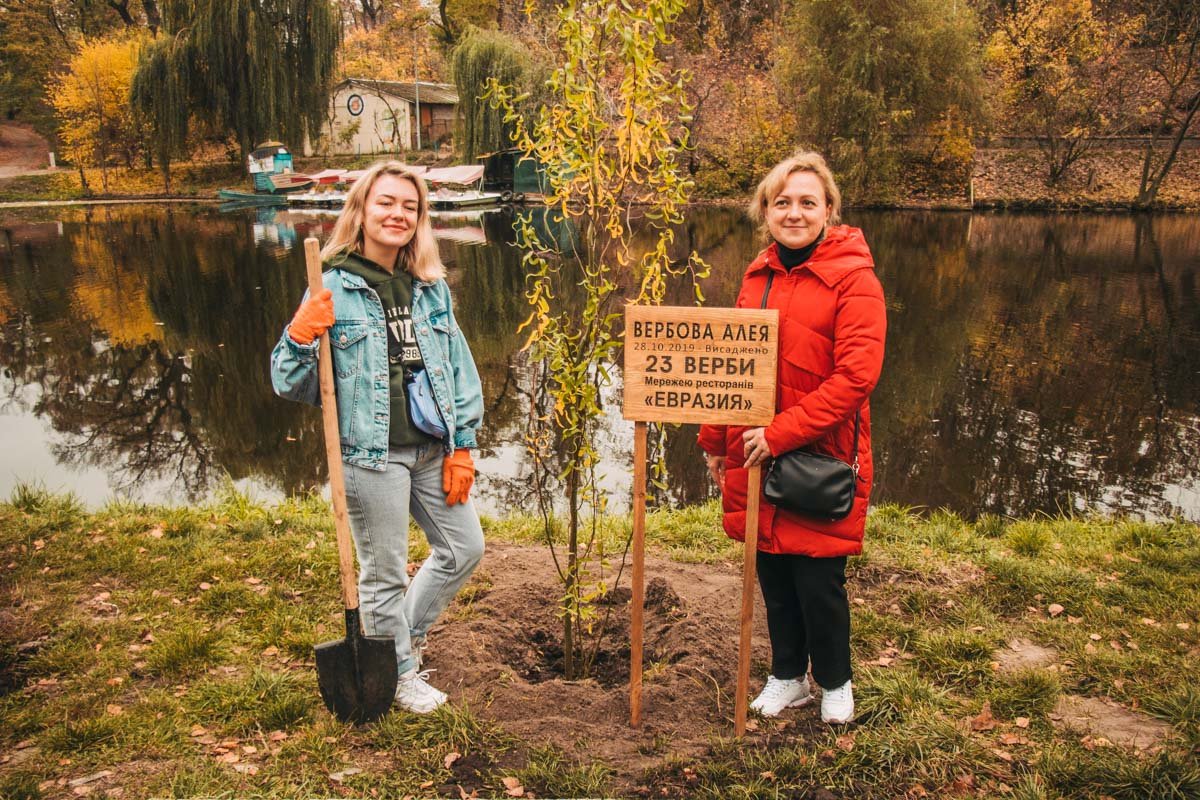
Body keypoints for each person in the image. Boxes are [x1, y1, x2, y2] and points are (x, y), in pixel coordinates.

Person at [270, 161, 485, 714]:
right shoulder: (330, 287)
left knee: (463, 549)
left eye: (410, 207)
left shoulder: (430, 288)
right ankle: (401, 674)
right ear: (361, 211)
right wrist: (300, 336)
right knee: (384, 572)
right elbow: (289, 382)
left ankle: (396, 646)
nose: (398, 214)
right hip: (372, 455)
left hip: (432, 448)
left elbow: (458, 368)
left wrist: (462, 444)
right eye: (386, 203)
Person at [697, 151, 886, 724]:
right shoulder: (757, 275)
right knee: (774, 574)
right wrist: (715, 440)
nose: (794, 213)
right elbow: (731, 364)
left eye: (808, 202)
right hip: (755, 449)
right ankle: (787, 677)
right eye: (782, 202)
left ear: (829, 210)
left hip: (820, 453)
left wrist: (780, 434)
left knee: (818, 580)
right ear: (765, 211)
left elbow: (856, 377)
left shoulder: (855, 278)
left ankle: (835, 682)